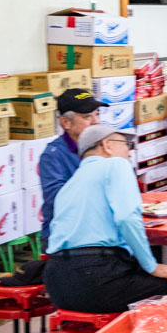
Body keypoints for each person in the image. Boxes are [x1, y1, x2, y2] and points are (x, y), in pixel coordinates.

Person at [43, 124, 167, 333]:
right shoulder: (115, 166)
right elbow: (128, 217)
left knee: (145, 280)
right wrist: (152, 266)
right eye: (125, 144)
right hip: (96, 278)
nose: (129, 152)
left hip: (58, 283)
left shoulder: (72, 183)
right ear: (107, 145)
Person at [39, 88, 107, 240]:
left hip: (98, 229)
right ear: (66, 122)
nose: (95, 121)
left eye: (97, 114)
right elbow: (57, 199)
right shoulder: (52, 155)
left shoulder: (104, 148)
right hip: (65, 237)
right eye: (87, 116)